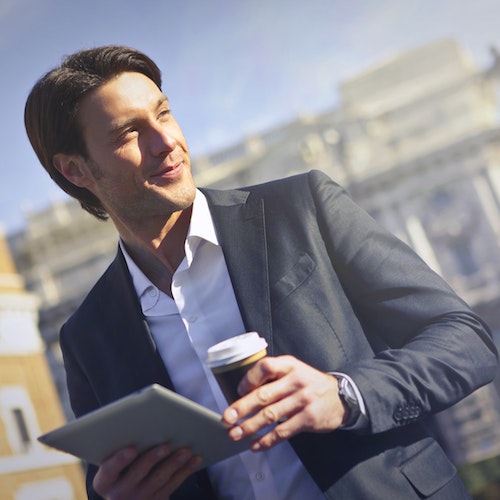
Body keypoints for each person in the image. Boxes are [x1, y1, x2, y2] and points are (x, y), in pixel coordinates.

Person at [24, 45, 497, 500]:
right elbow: (105, 481)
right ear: (75, 170)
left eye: (164, 114)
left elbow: (467, 339)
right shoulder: (88, 336)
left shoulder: (302, 209)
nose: (167, 142)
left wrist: (346, 396)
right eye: (129, 133)